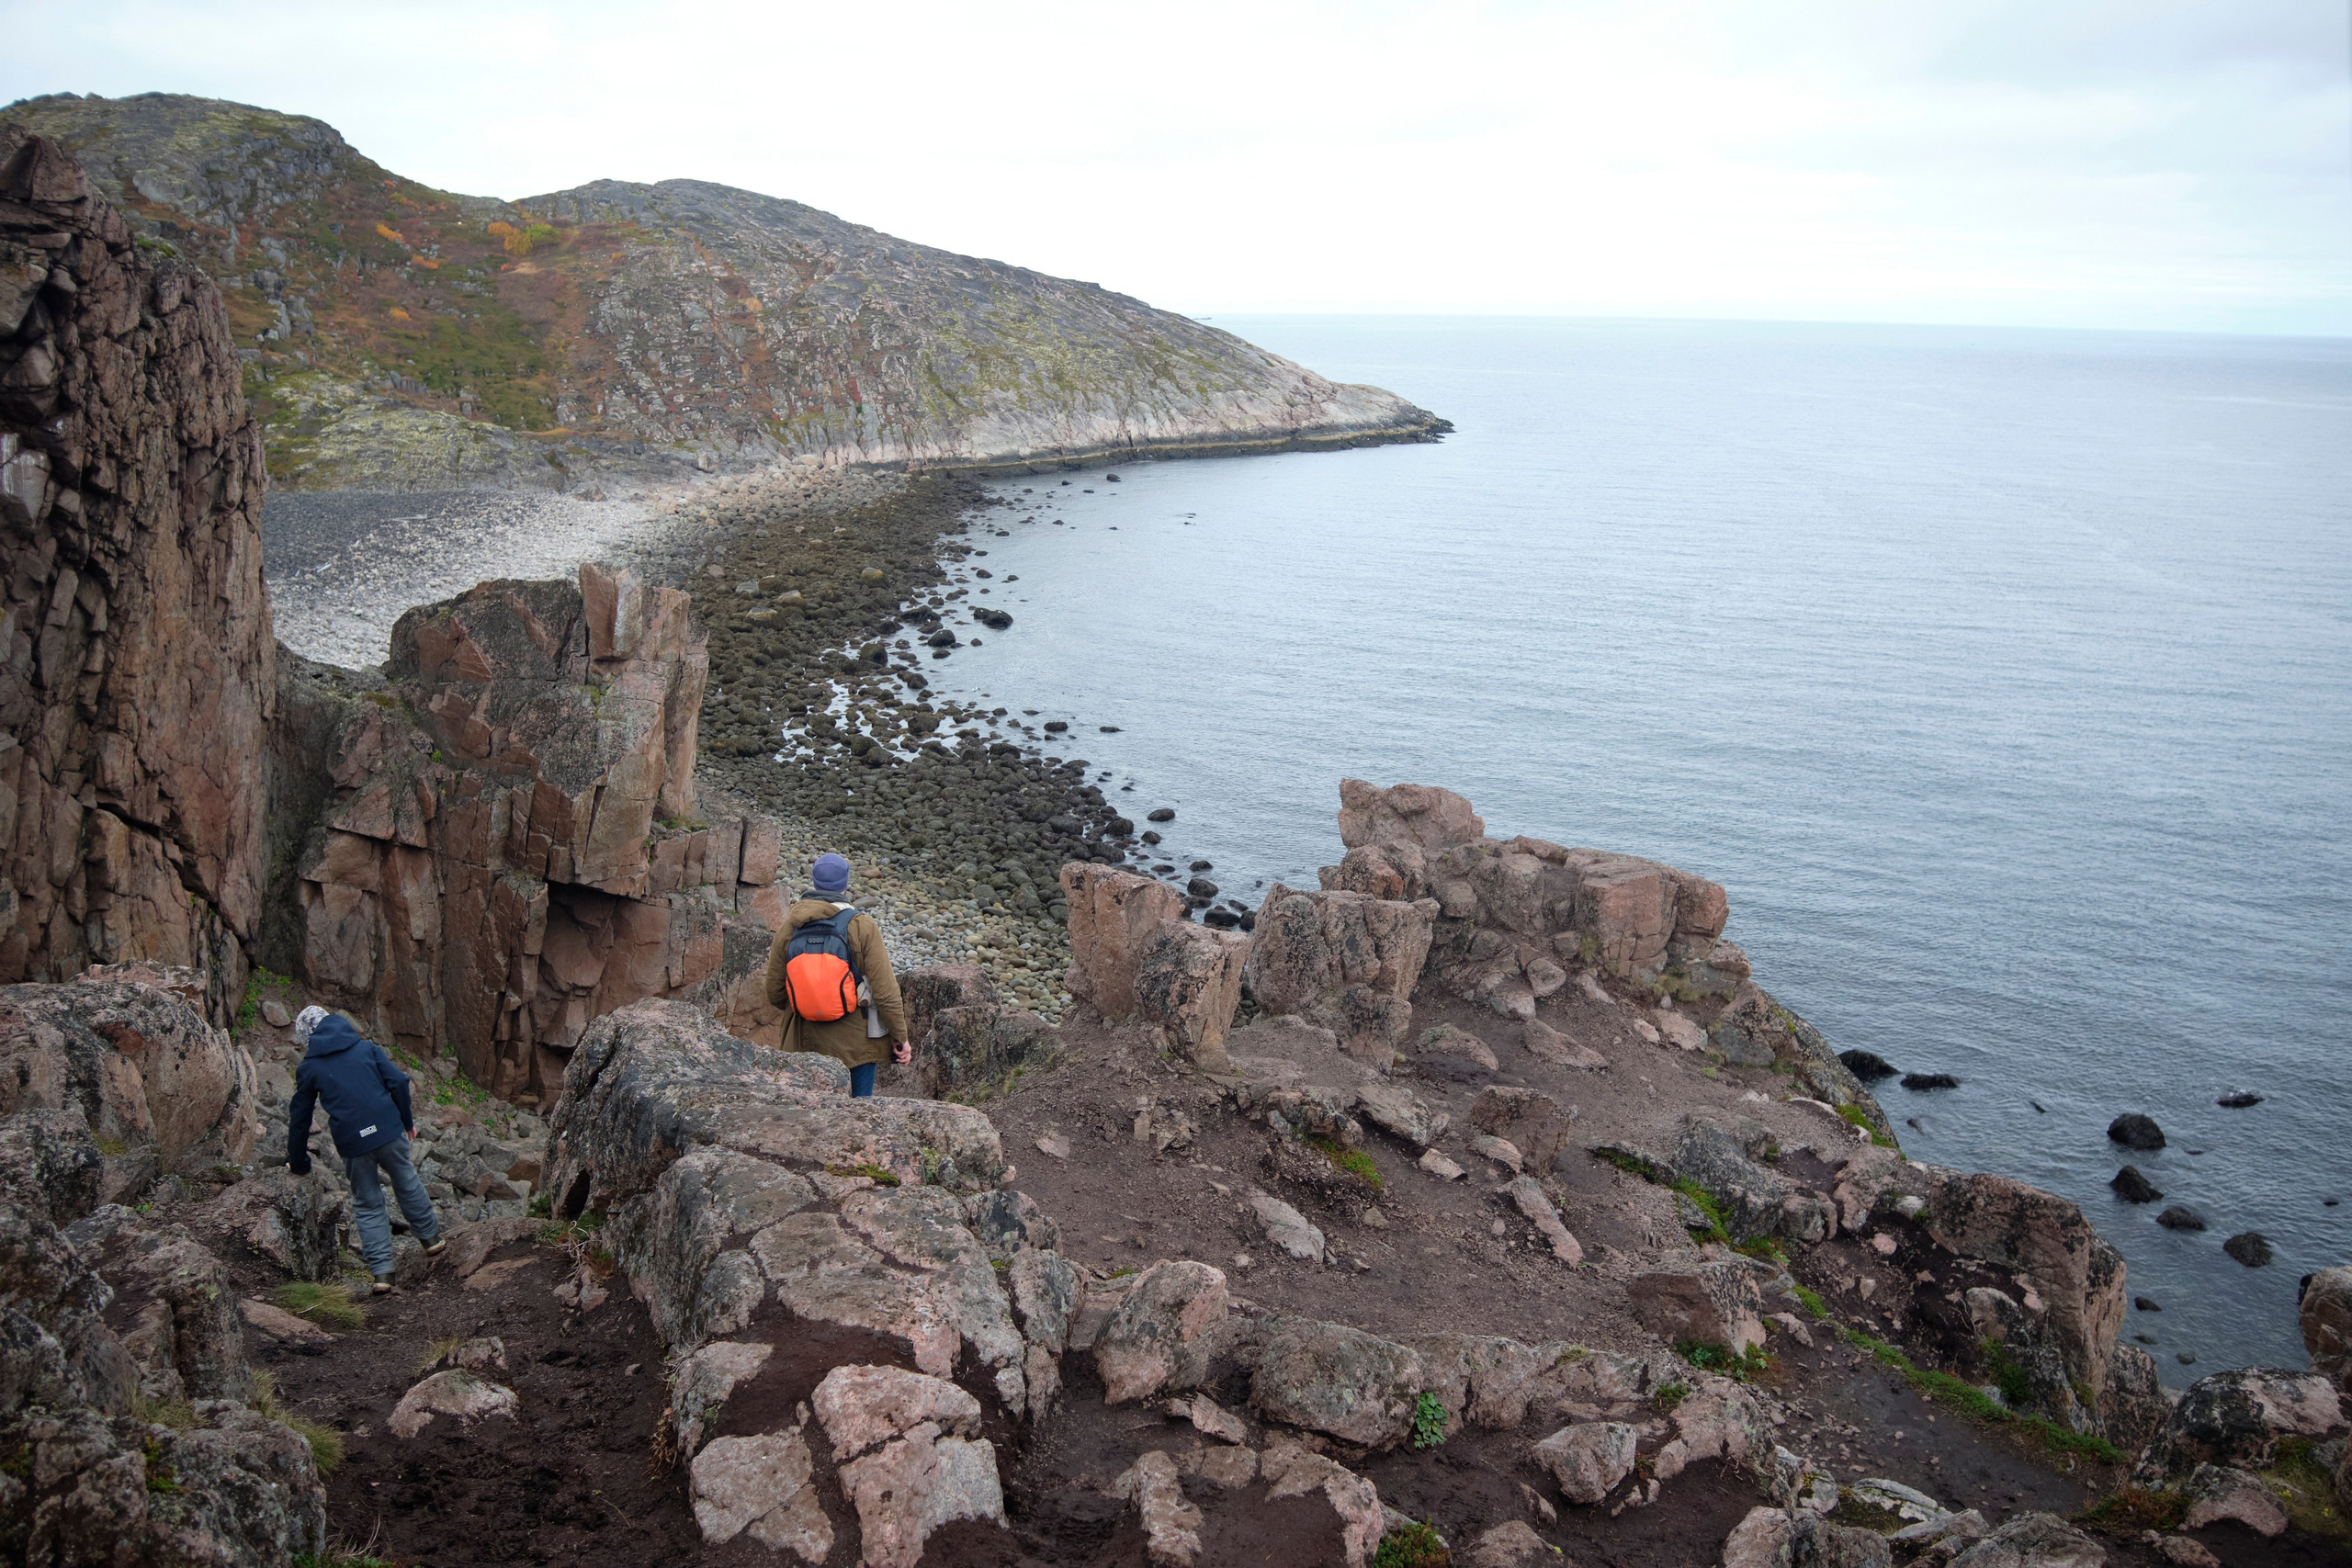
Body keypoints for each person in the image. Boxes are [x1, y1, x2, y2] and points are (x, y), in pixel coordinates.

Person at [286, 1006, 445, 1292]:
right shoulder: (365, 1048)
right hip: (387, 1128)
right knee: (406, 1179)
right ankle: (431, 1239)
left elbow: (300, 1119)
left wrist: (298, 1163)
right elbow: (397, 1081)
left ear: (307, 1038)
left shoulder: (309, 1068)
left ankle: (383, 1274)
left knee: (368, 1202)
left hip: (353, 1142)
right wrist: (406, 1121)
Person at [765, 852, 910, 1097]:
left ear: (814, 881)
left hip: (802, 1043)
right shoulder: (861, 925)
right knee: (858, 1116)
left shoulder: (790, 926)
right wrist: (900, 1038)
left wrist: (809, 998)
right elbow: (885, 990)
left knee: (805, 1119)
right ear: (845, 883)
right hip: (856, 1046)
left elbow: (775, 994)